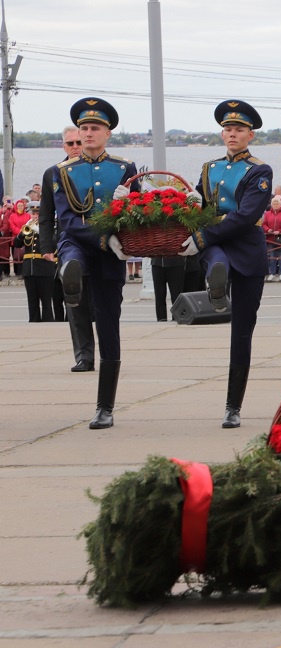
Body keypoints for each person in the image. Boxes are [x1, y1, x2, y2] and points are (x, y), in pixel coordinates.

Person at [181, 100, 272, 428]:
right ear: (222, 134)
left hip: (245, 248)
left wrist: (202, 238)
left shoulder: (259, 170)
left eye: (240, 130)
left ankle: (233, 406)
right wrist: (187, 206)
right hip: (218, 247)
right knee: (216, 262)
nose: (233, 134)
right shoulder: (209, 168)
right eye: (228, 129)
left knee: (242, 333)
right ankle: (216, 282)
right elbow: (199, 207)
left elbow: (247, 216)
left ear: (251, 136)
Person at [51, 98, 139, 428]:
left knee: (108, 323)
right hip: (81, 240)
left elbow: (137, 212)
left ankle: (105, 407)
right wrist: (105, 238)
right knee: (72, 254)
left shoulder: (124, 168)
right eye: (84, 128)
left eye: (94, 129)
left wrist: (126, 234)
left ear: (107, 133)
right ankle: (70, 278)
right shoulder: (62, 171)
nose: (88, 134)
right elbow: (67, 219)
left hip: (111, 253)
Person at [39, 125, 95, 372]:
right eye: (69, 144)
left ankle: (109, 351)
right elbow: (45, 213)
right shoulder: (53, 173)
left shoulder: (97, 170)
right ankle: (84, 356)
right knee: (75, 303)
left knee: (103, 301)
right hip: (68, 244)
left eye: (77, 143)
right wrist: (46, 246)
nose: (74, 147)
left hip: (100, 242)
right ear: (63, 146)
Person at [13, 202, 57, 322]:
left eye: (38, 214)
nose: (35, 216)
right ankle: (33, 322)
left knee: (46, 301)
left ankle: (48, 323)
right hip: (29, 269)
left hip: (44, 269)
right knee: (32, 301)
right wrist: (22, 233)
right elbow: (16, 244)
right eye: (33, 214)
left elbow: (54, 243)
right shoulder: (28, 228)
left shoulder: (49, 229)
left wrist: (40, 231)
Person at [262, 195, 281, 280]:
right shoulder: (267, 214)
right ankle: (272, 273)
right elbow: (264, 224)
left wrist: (280, 231)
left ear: (280, 204)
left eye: (277, 203)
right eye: (273, 203)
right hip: (270, 238)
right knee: (272, 256)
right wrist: (269, 230)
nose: (275, 205)